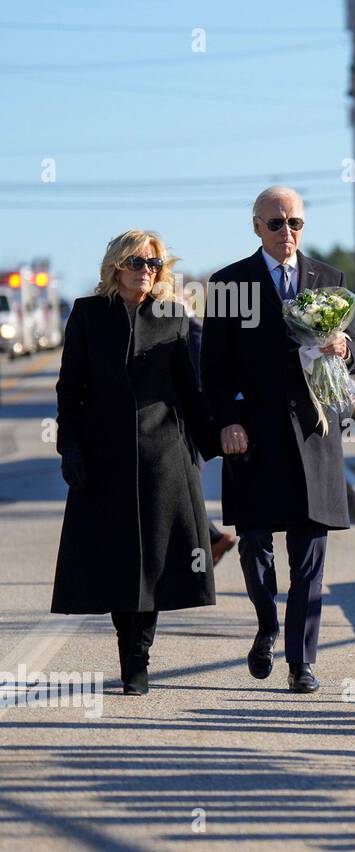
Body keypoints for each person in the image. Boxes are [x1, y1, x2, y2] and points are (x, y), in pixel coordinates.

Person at [201, 186, 355, 694]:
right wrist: (227, 421)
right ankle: (267, 626)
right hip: (252, 436)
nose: (287, 233)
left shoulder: (329, 280)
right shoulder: (230, 283)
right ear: (256, 227)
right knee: (255, 544)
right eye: (276, 224)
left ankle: (302, 661)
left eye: (295, 223)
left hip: (314, 434)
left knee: (310, 552)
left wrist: (344, 346)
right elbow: (214, 366)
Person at [51, 230, 221, 695]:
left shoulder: (173, 317)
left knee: (154, 562)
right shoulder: (88, 315)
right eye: (138, 262)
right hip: (104, 456)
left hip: (164, 455)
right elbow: (71, 389)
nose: (147, 270)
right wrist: (70, 448)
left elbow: (192, 391)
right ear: (116, 266)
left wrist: (220, 439)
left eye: (154, 263)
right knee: (117, 560)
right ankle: (128, 647)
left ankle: (138, 660)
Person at [185, 307, 237, 564]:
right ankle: (212, 540)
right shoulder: (193, 330)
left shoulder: (193, 333)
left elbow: (200, 380)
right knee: (187, 489)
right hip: (192, 424)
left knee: (187, 489)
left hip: (191, 426)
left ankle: (213, 539)